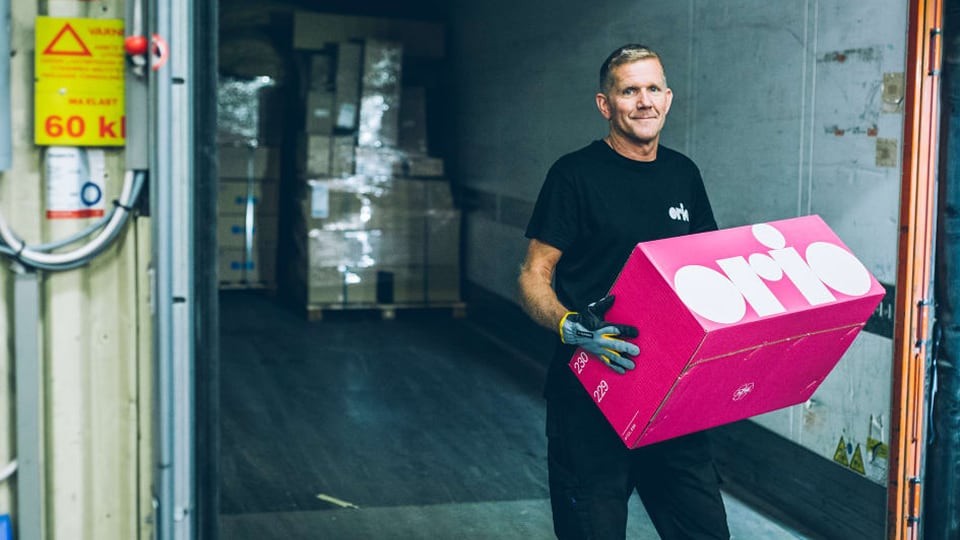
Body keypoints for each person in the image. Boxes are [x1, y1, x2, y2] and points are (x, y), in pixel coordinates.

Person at [518, 44, 731, 539]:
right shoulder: (573, 175)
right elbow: (533, 273)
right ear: (605, 104)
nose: (644, 102)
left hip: (671, 398)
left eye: (653, 88)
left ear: (669, 98)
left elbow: (709, 273)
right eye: (629, 90)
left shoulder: (684, 174)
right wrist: (569, 326)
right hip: (592, 395)